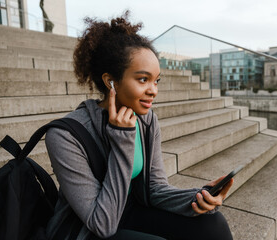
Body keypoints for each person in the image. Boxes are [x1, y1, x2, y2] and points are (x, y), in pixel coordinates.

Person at [45, 11, 233, 240]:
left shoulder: (146, 119)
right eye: (143, 79)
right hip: (86, 228)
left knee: (212, 224)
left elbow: (155, 189)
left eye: (156, 81)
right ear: (110, 81)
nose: (153, 90)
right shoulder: (66, 135)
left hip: (131, 211)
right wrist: (122, 138)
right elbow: (102, 223)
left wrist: (198, 197)